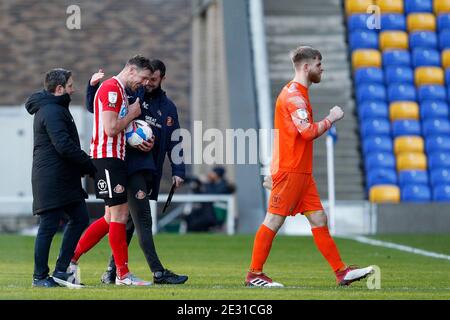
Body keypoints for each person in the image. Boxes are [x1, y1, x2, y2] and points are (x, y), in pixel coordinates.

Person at [245, 46, 375, 287]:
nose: (321, 68)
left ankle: (341, 272)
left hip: (301, 171)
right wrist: (331, 118)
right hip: (291, 170)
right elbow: (306, 132)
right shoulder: (294, 96)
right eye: (318, 63)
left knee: (318, 218)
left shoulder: (298, 93)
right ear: (306, 67)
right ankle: (254, 274)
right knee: (273, 221)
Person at [85, 59, 188, 285]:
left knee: (124, 222)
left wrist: (179, 170)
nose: (148, 83)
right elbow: (98, 109)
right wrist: (93, 88)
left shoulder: (168, 107)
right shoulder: (130, 93)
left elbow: (175, 139)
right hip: (129, 167)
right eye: (145, 78)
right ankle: (157, 272)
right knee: (141, 218)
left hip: (149, 169)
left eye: (153, 79)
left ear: (161, 78)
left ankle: (112, 270)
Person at [70, 55, 153, 286]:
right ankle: (122, 275)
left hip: (114, 158)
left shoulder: (117, 90)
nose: (145, 83)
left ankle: (71, 259)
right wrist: (133, 115)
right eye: (144, 78)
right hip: (107, 158)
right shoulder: (112, 89)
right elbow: (110, 128)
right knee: (119, 216)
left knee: (110, 218)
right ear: (131, 71)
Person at [26, 68, 97, 288]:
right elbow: (64, 146)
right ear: (59, 89)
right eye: (70, 86)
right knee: (48, 225)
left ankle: (60, 270)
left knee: (80, 218)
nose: (73, 89)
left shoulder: (54, 108)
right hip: (51, 179)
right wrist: (88, 163)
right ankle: (40, 277)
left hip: (63, 178)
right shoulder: (52, 111)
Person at [184, 166, 235, 232]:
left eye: (212, 173)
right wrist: (197, 186)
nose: (210, 174)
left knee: (195, 222)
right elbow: (200, 195)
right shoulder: (211, 184)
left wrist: (203, 183)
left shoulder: (223, 185)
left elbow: (212, 195)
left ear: (217, 174)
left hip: (215, 214)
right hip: (206, 212)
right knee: (188, 217)